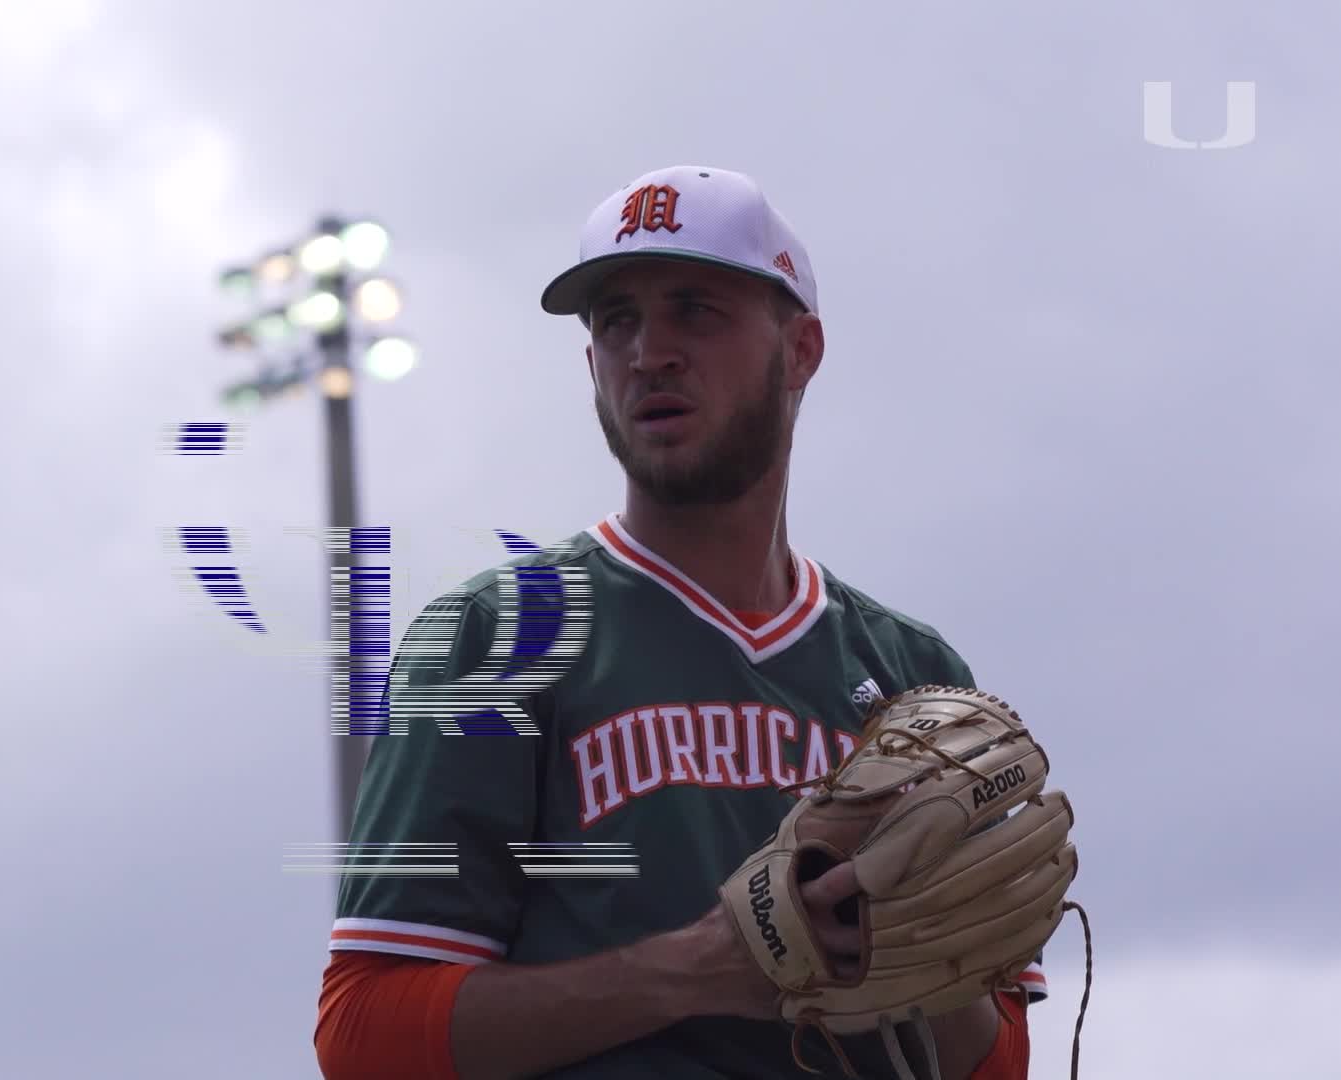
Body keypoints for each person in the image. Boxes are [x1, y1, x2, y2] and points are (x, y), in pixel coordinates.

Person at [312, 166, 1046, 1079]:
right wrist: (699, 969)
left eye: (696, 309)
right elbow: (365, 1036)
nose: (648, 351)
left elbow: (1000, 1066)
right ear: (590, 365)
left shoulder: (912, 672)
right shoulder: (494, 639)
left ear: (802, 350)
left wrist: (911, 946)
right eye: (617, 320)